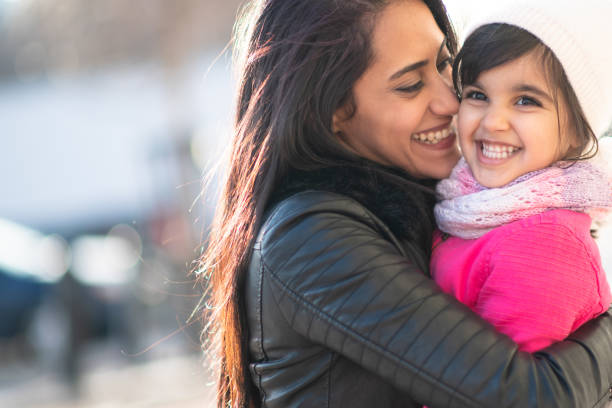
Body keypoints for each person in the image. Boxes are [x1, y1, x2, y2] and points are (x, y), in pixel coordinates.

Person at [198, 0, 612, 407]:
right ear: (333, 110)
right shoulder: (311, 238)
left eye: (445, 63)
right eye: (411, 85)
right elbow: (527, 395)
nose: (451, 101)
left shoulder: (446, 204)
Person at [431, 0, 612, 353]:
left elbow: (500, 390)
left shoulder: (544, 245)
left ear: (577, 131)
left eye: (526, 100)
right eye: (478, 95)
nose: (493, 122)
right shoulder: (463, 202)